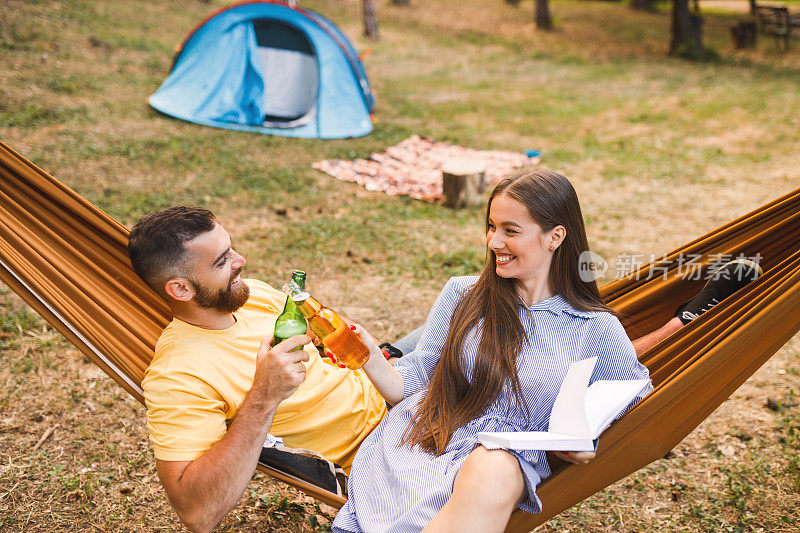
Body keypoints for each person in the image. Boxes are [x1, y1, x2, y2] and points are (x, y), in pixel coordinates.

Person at [128, 199, 759, 533]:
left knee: (533, 322)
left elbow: (334, 339)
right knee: (509, 347)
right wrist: (263, 399)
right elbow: (196, 512)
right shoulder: (180, 375)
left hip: (395, 373)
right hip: (388, 426)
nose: (241, 263)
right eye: (222, 262)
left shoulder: (251, 294)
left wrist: (358, 347)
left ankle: (668, 325)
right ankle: (678, 322)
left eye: (233, 249)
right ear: (181, 291)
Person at [331, 169, 761, 533]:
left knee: (494, 468)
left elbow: (621, 413)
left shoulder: (596, 329)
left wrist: (586, 442)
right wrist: (368, 354)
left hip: (504, 456)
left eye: (510, 230)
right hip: (427, 440)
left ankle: (683, 321)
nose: (494, 242)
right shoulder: (464, 294)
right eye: (491, 226)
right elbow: (413, 381)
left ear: (555, 237)